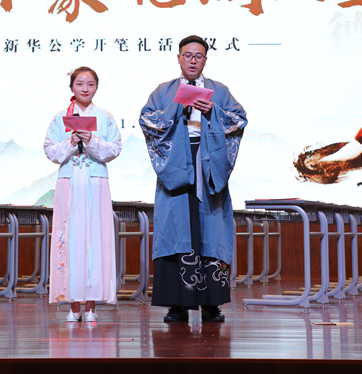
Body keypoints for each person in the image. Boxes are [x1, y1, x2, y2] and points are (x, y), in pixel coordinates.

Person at [139, 36, 247, 323]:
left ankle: (211, 304)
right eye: (187, 55)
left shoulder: (219, 90)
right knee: (177, 230)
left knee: (211, 230)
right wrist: (176, 107)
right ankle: (177, 305)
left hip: (208, 162)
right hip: (176, 162)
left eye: (199, 56)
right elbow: (147, 120)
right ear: (178, 58)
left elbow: (239, 120)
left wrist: (214, 111)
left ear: (205, 60)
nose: (193, 60)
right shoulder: (163, 91)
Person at [44, 66, 122, 323]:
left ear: (96, 88)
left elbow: (114, 149)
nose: (85, 89)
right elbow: (50, 151)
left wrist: (91, 140)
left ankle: (91, 306)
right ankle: (73, 305)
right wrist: (70, 142)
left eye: (90, 84)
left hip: (96, 182)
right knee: (71, 238)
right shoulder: (60, 118)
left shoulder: (105, 116)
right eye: (79, 84)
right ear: (72, 88)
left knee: (95, 239)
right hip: (69, 182)